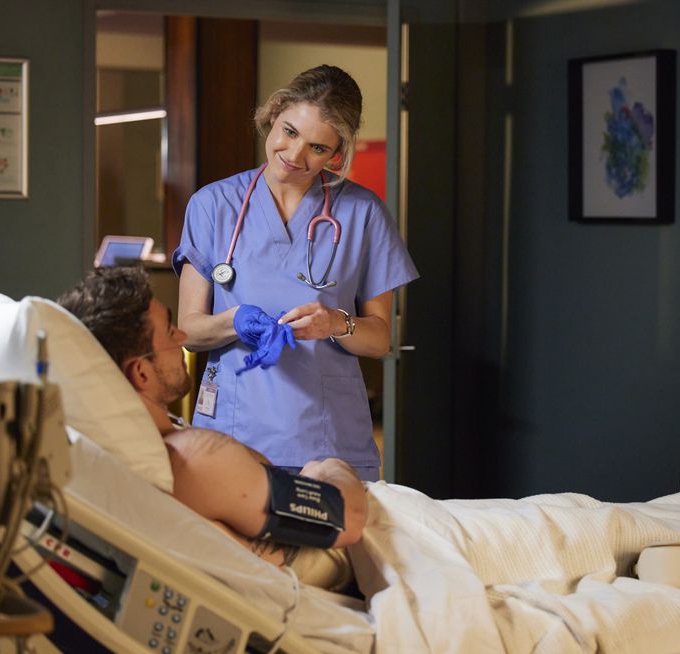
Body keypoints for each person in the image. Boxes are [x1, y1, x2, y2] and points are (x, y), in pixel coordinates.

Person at [172, 65, 418, 481]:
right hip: (234, 431)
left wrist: (333, 324)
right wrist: (233, 321)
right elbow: (190, 332)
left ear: (337, 152)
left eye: (318, 148)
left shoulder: (363, 213)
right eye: (289, 132)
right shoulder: (212, 206)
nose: (295, 156)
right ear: (276, 112)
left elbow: (380, 339)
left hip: (328, 440)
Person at [57, 266, 366, 588]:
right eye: (168, 331)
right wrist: (328, 466)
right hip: (346, 566)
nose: (181, 336)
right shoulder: (197, 459)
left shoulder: (105, 457)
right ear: (141, 373)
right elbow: (349, 518)